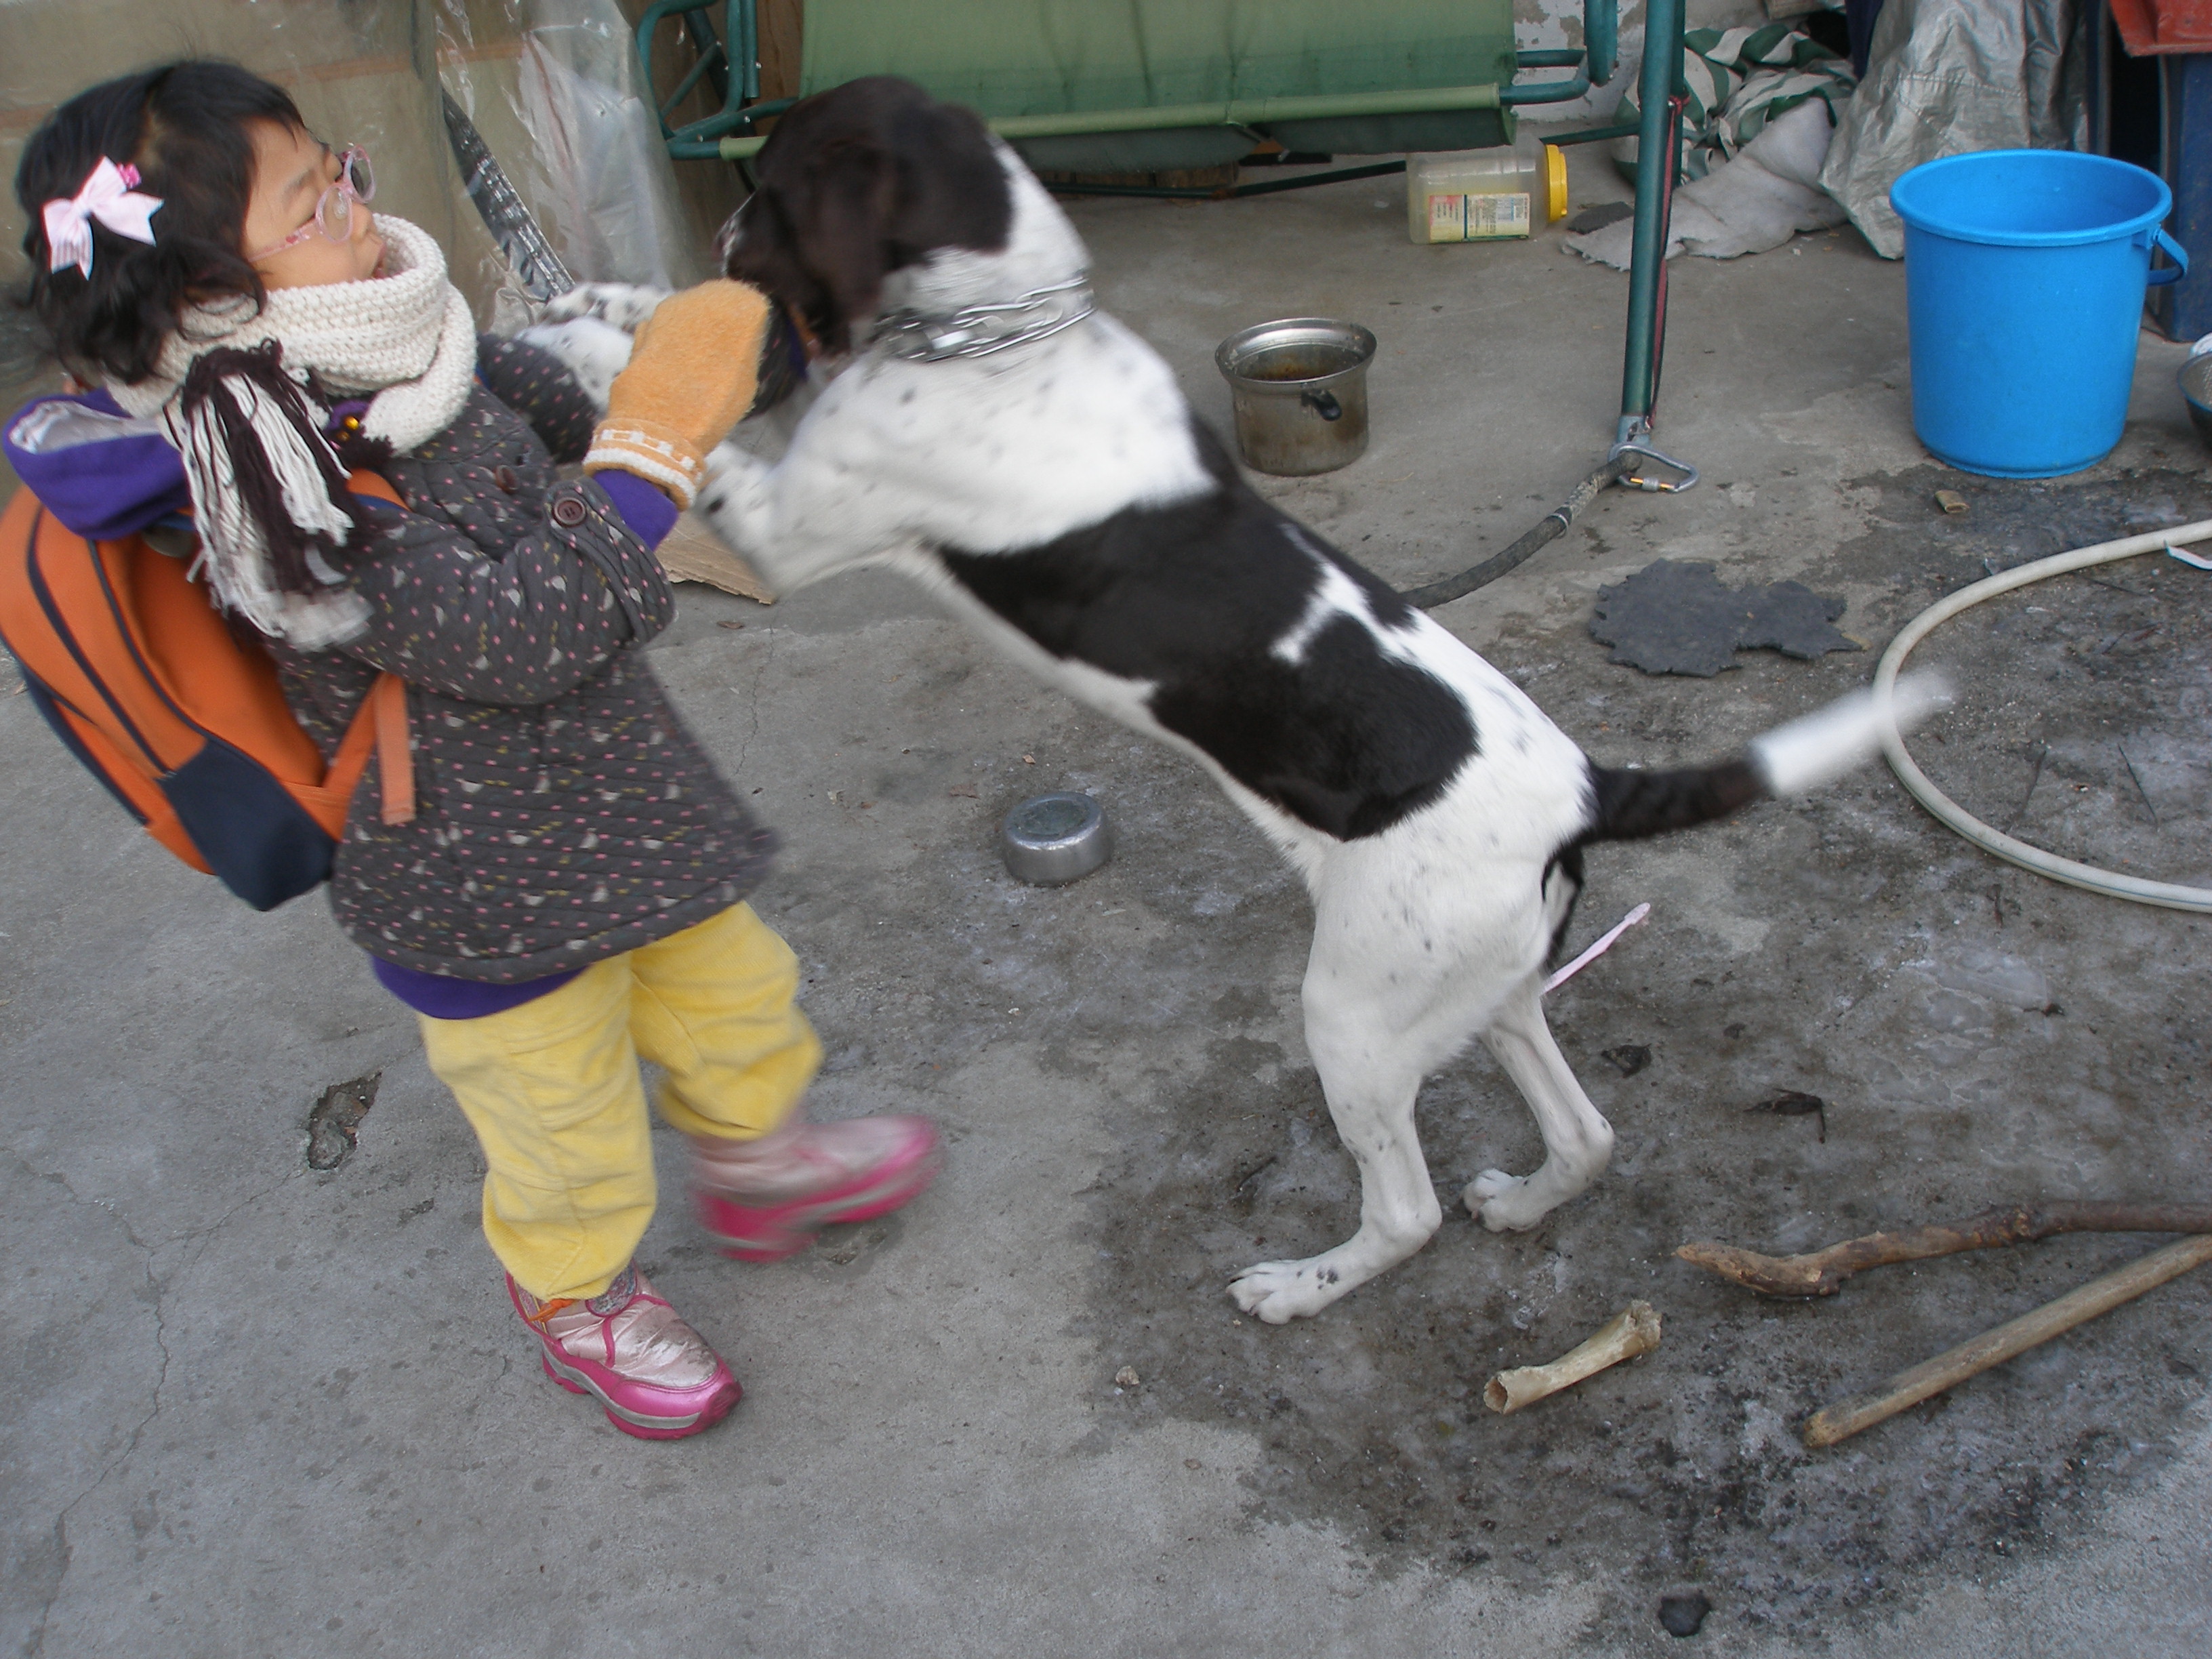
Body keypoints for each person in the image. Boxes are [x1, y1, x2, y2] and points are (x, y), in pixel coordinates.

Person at [5, 60, 939, 1440]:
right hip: (472, 878)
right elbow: (520, 632)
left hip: (616, 792)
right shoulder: (271, 490)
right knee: (563, 1123)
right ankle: (579, 1296)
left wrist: (752, 343)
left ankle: (761, 1160)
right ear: (205, 298)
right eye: (310, 206)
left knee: (737, 994)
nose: (354, 204)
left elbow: (550, 409)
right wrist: (649, 457)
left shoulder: (404, 341)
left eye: (336, 168)